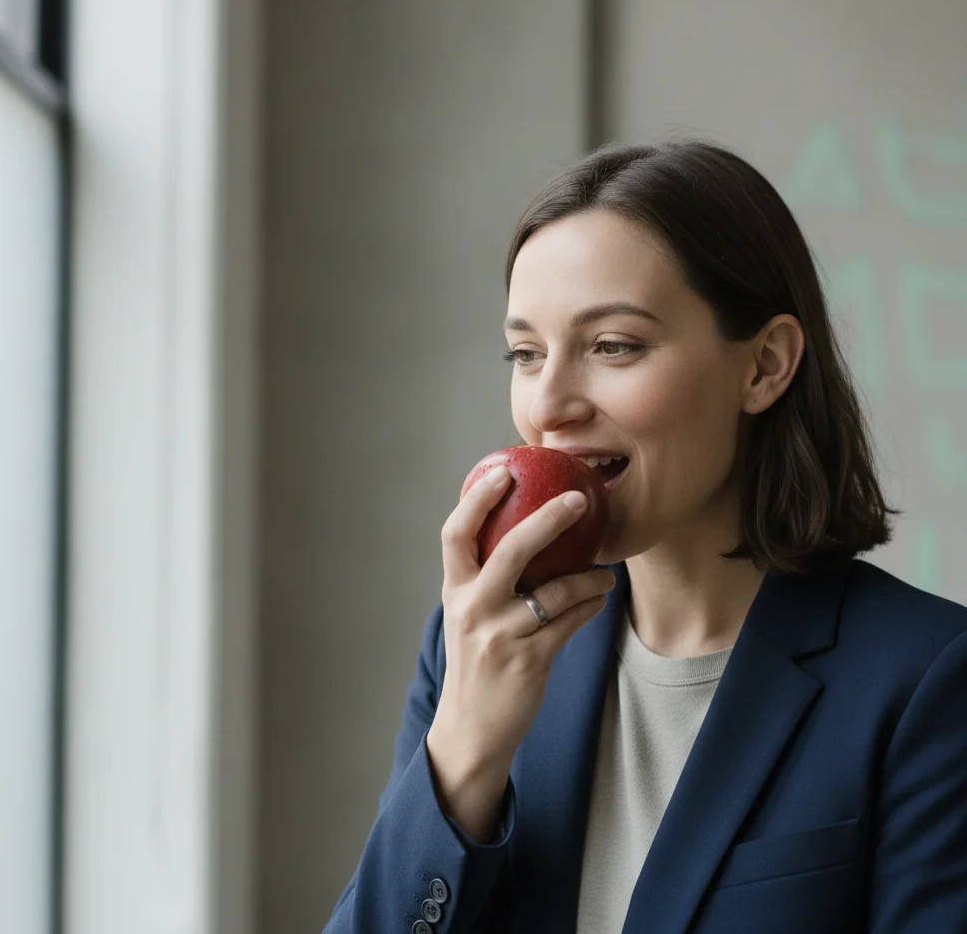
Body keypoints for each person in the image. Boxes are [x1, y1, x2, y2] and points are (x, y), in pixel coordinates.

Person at [323, 142, 967, 933]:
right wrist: (461, 751)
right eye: (526, 353)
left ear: (765, 366)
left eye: (613, 346)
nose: (550, 404)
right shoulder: (471, 646)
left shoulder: (927, 680)